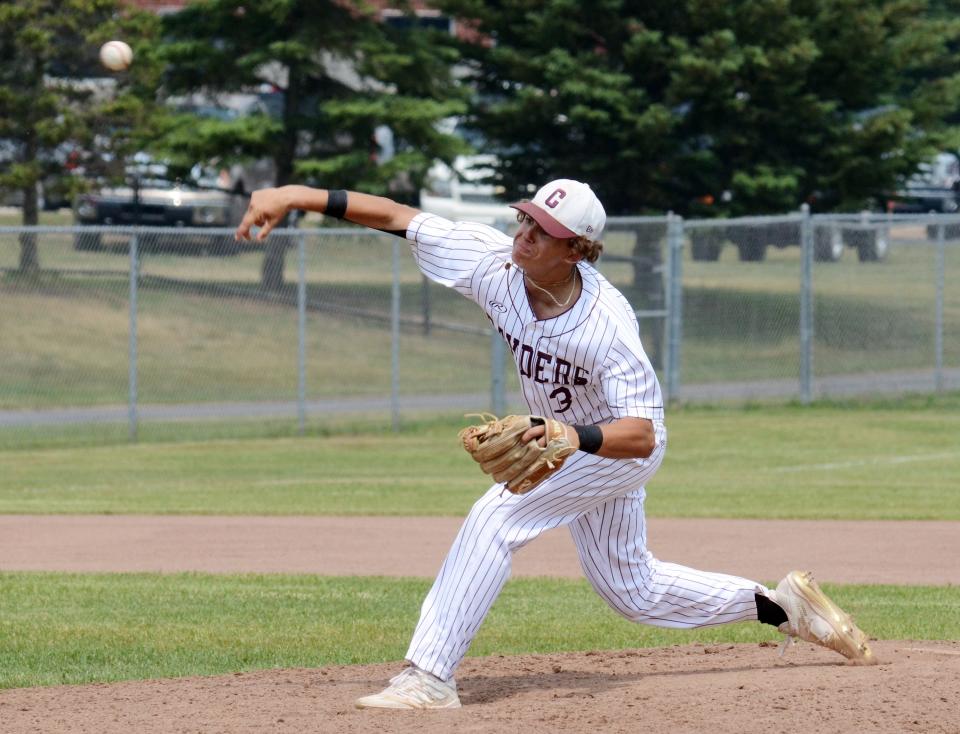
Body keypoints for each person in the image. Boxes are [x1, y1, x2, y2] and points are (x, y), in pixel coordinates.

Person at [235, 178, 875, 710]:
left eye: (542, 230)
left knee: (497, 514)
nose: (524, 233)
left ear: (577, 250)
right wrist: (294, 194)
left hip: (614, 448)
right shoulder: (494, 265)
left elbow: (644, 433)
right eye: (525, 219)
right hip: (561, 443)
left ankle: (429, 676)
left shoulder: (605, 325)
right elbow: (402, 218)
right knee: (634, 590)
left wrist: (574, 436)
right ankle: (779, 606)